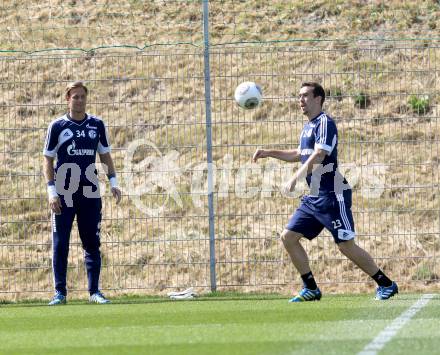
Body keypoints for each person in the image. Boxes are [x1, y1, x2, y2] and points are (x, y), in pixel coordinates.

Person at [253, 82, 398, 301]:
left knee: (345, 245)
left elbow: (319, 155)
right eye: (299, 96)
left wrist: (295, 178)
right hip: (313, 196)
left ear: (318, 98)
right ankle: (311, 287)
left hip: (332, 195)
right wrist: (268, 152)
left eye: (305, 96)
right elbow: (299, 154)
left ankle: (385, 284)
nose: (300, 100)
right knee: (289, 237)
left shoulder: (325, 123)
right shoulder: (308, 126)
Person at [43, 81, 122, 305]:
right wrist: (51, 192)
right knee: (61, 244)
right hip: (63, 195)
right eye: (74, 97)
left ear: (86, 99)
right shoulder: (57, 126)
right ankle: (60, 293)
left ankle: (94, 292)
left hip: (90, 193)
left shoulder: (97, 125)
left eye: (82, 96)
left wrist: (114, 181)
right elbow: (47, 160)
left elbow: (105, 156)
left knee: (92, 243)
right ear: (67, 99)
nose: (79, 100)